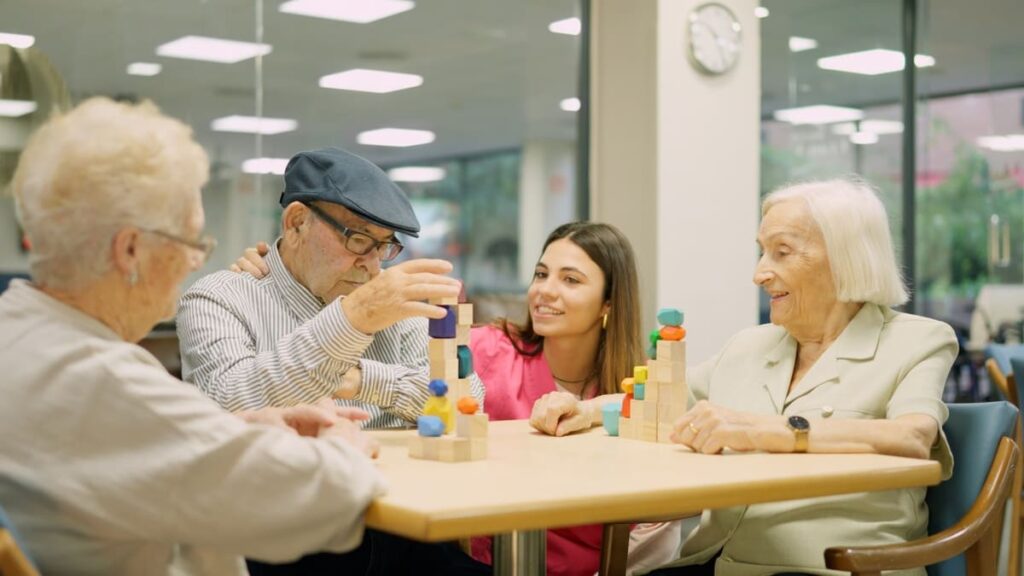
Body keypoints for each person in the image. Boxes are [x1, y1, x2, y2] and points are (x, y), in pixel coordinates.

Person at [0, 97, 386, 575]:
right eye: (189, 242)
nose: (196, 261)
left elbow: (125, 453)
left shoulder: (17, 333)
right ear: (132, 249)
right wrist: (345, 444)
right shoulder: (99, 379)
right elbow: (315, 502)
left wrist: (237, 429)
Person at [535, 178, 957, 576]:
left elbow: (912, 438)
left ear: (843, 258)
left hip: (829, 566)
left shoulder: (918, 341)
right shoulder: (749, 346)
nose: (759, 273)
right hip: (719, 562)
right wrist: (583, 408)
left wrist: (768, 431)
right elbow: (657, 400)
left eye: (782, 252)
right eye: (761, 251)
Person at [231, 221, 682, 575]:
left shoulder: (635, 385)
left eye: (571, 280)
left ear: (607, 303)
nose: (545, 291)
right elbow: (359, 333)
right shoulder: (486, 349)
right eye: (541, 274)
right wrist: (271, 275)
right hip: (475, 559)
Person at [176, 147, 484, 430]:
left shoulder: (386, 300)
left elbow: (467, 399)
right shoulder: (218, 298)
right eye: (359, 240)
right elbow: (227, 405)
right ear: (297, 223)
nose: (373, 266)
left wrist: (362, 380)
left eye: (384, 246)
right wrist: (352, 319)